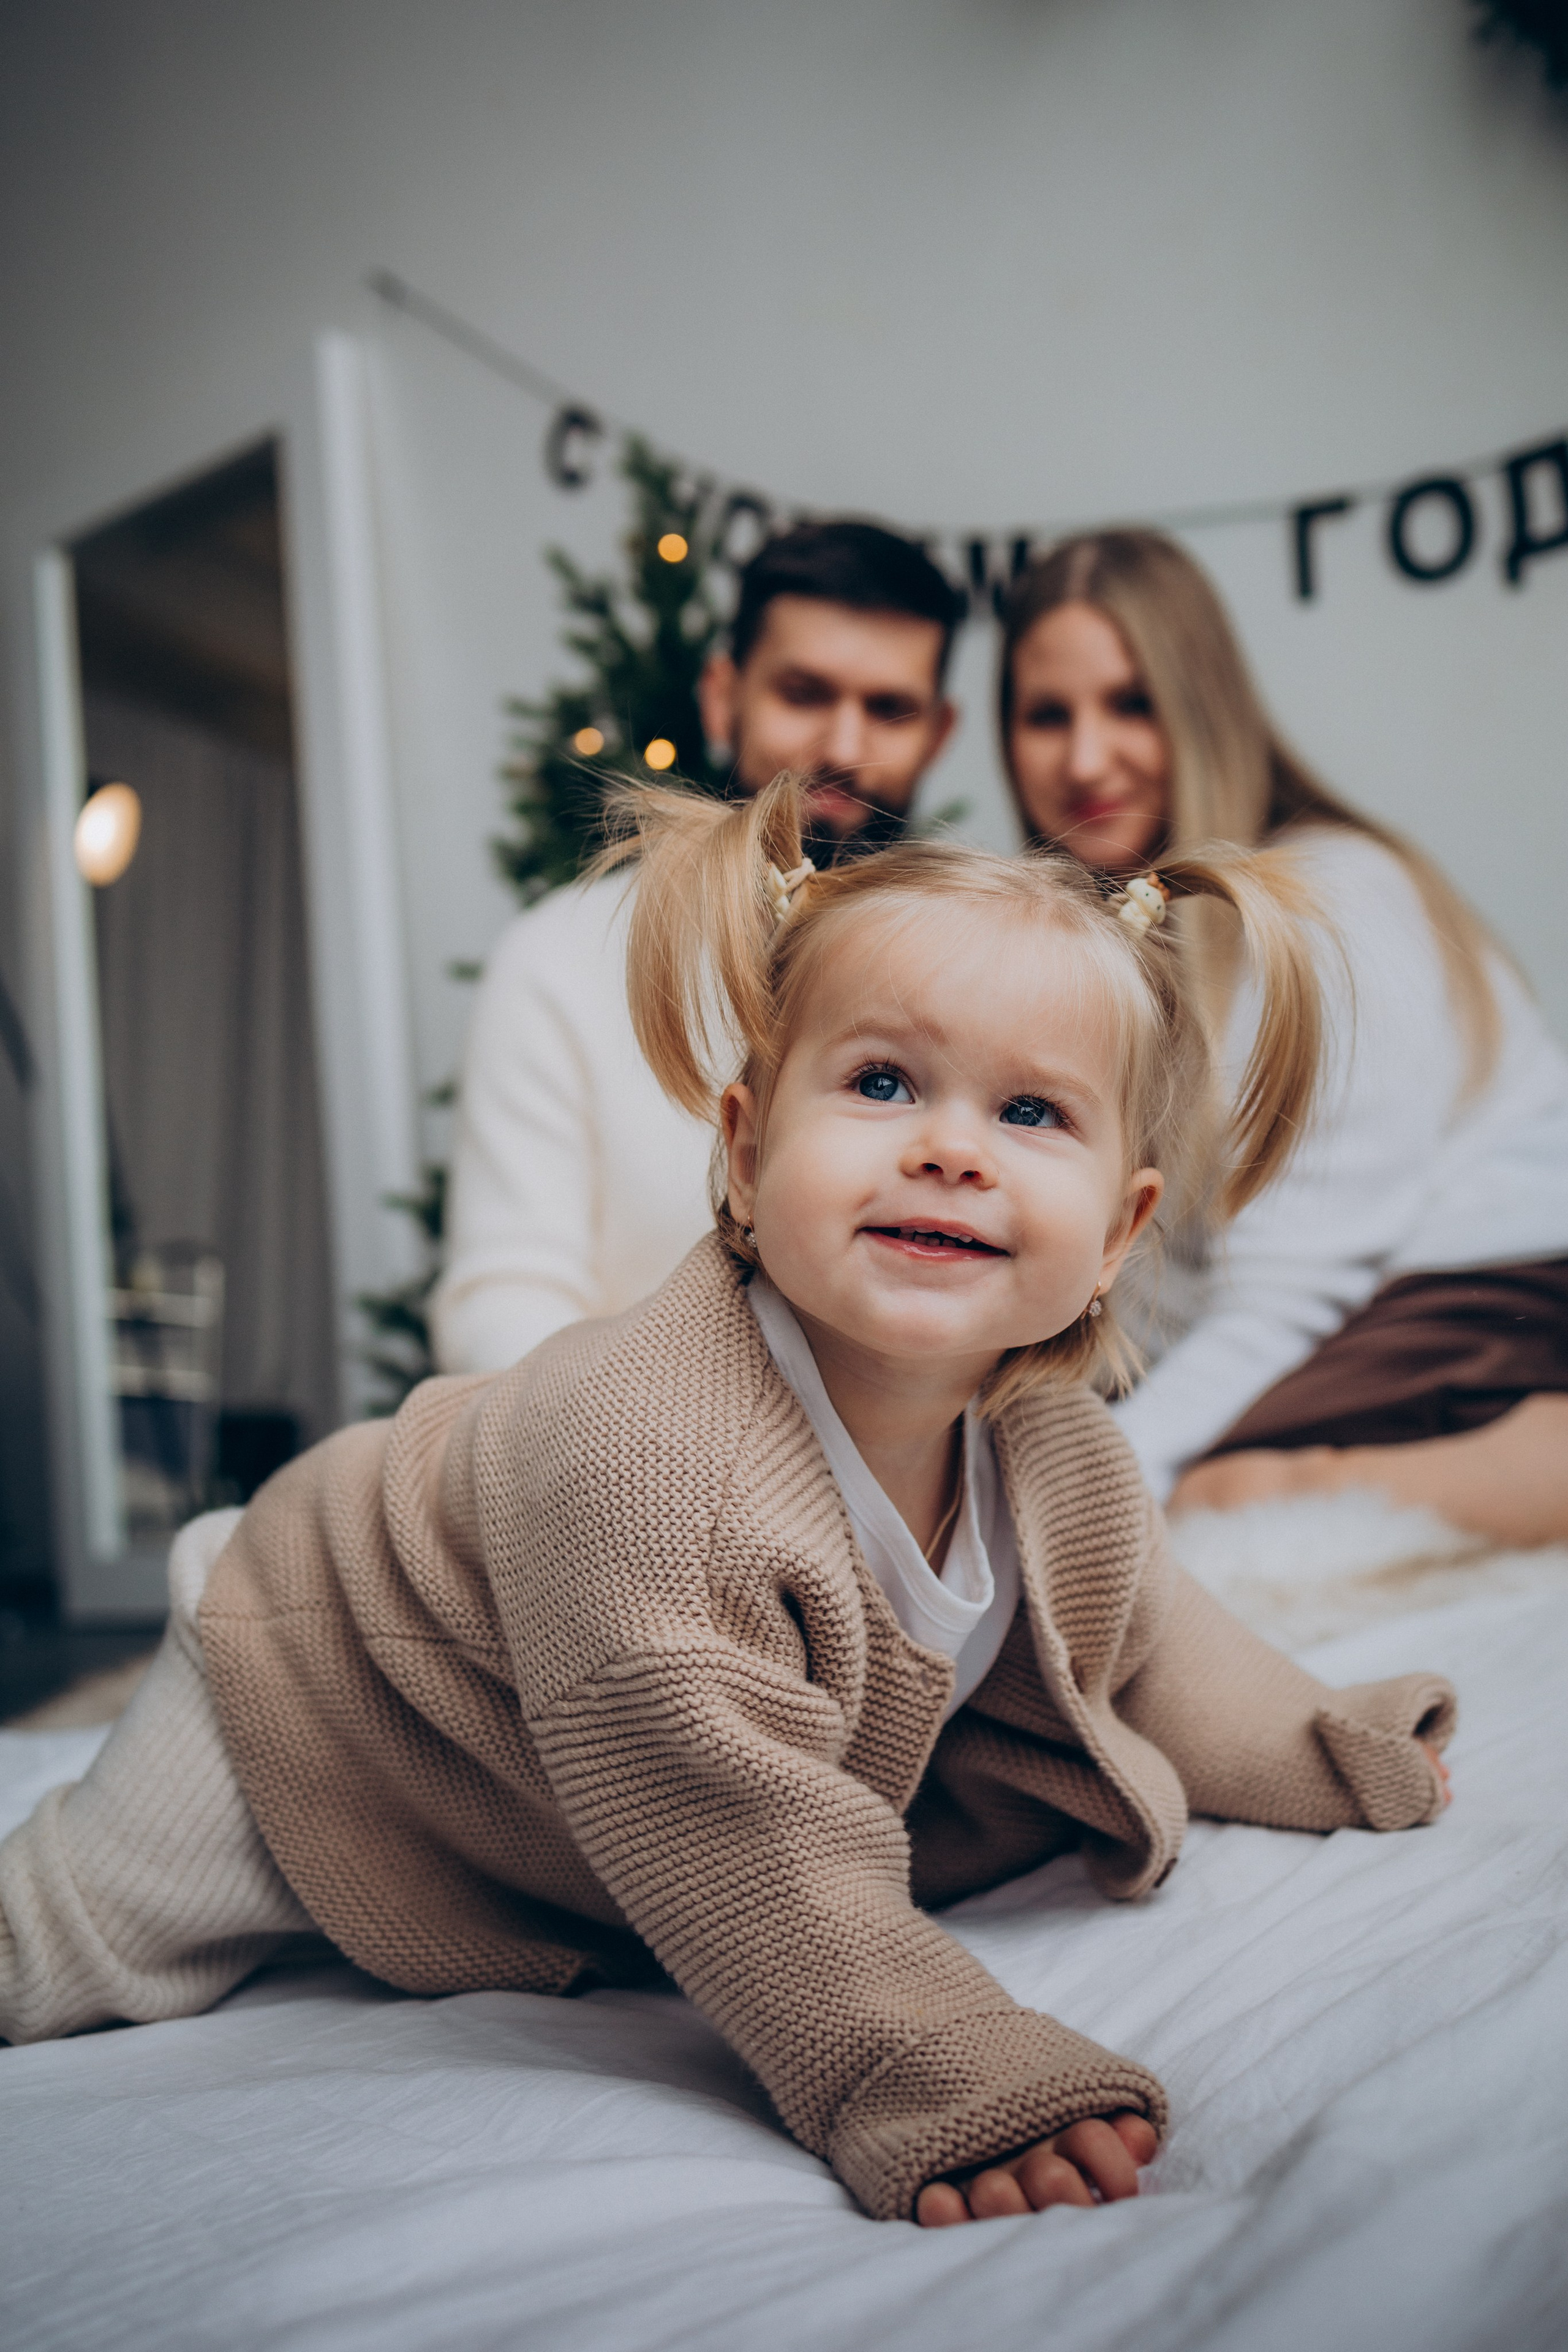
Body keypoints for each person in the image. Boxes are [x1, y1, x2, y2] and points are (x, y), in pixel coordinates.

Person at [0, 775, 1455, 2231]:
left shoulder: (1047, 1446)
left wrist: (1314, 1741)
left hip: (538, 1776)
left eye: (1028, 1111)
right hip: (316, 1689)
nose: (949, 1145)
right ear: (747, 1153)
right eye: (881, 1082)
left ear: (1116, 1235)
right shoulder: (655, 1467)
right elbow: (739, 1837)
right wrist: (935, 2064)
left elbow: (1145, 1634)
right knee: (63, 1946)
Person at [997, 529, 1568, 1545]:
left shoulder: (1323, 904)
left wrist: (1087, 1488)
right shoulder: (1129, 946)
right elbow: (1161, 1280)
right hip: (1385, 1295)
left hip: (1501, 1280)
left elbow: (1293, 1288)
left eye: (1132, 703)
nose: (1086, 758)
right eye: (1049, 715)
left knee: (1226, 1499)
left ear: (1203, 706)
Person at [431, 519, 967, 1374]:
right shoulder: (559, 958)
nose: (845, 748)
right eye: (805, 693)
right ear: (725, 698)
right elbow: (502, 1303)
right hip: (619, 1472)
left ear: (939, 734)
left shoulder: (980, 974)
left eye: (889, 709)